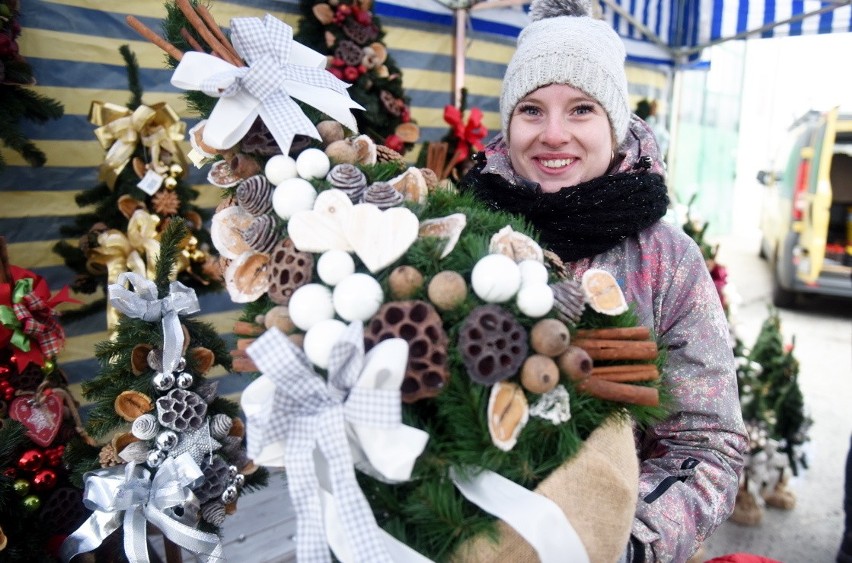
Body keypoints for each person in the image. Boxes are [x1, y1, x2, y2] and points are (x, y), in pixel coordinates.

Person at [458, 0, 748, 560]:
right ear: (509, 121)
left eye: (582, 109)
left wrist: (619, 538)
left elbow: (708, 445)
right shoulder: (458, 234)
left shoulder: (666, 261)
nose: (554, 134)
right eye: (533, 110)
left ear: (614, 122)